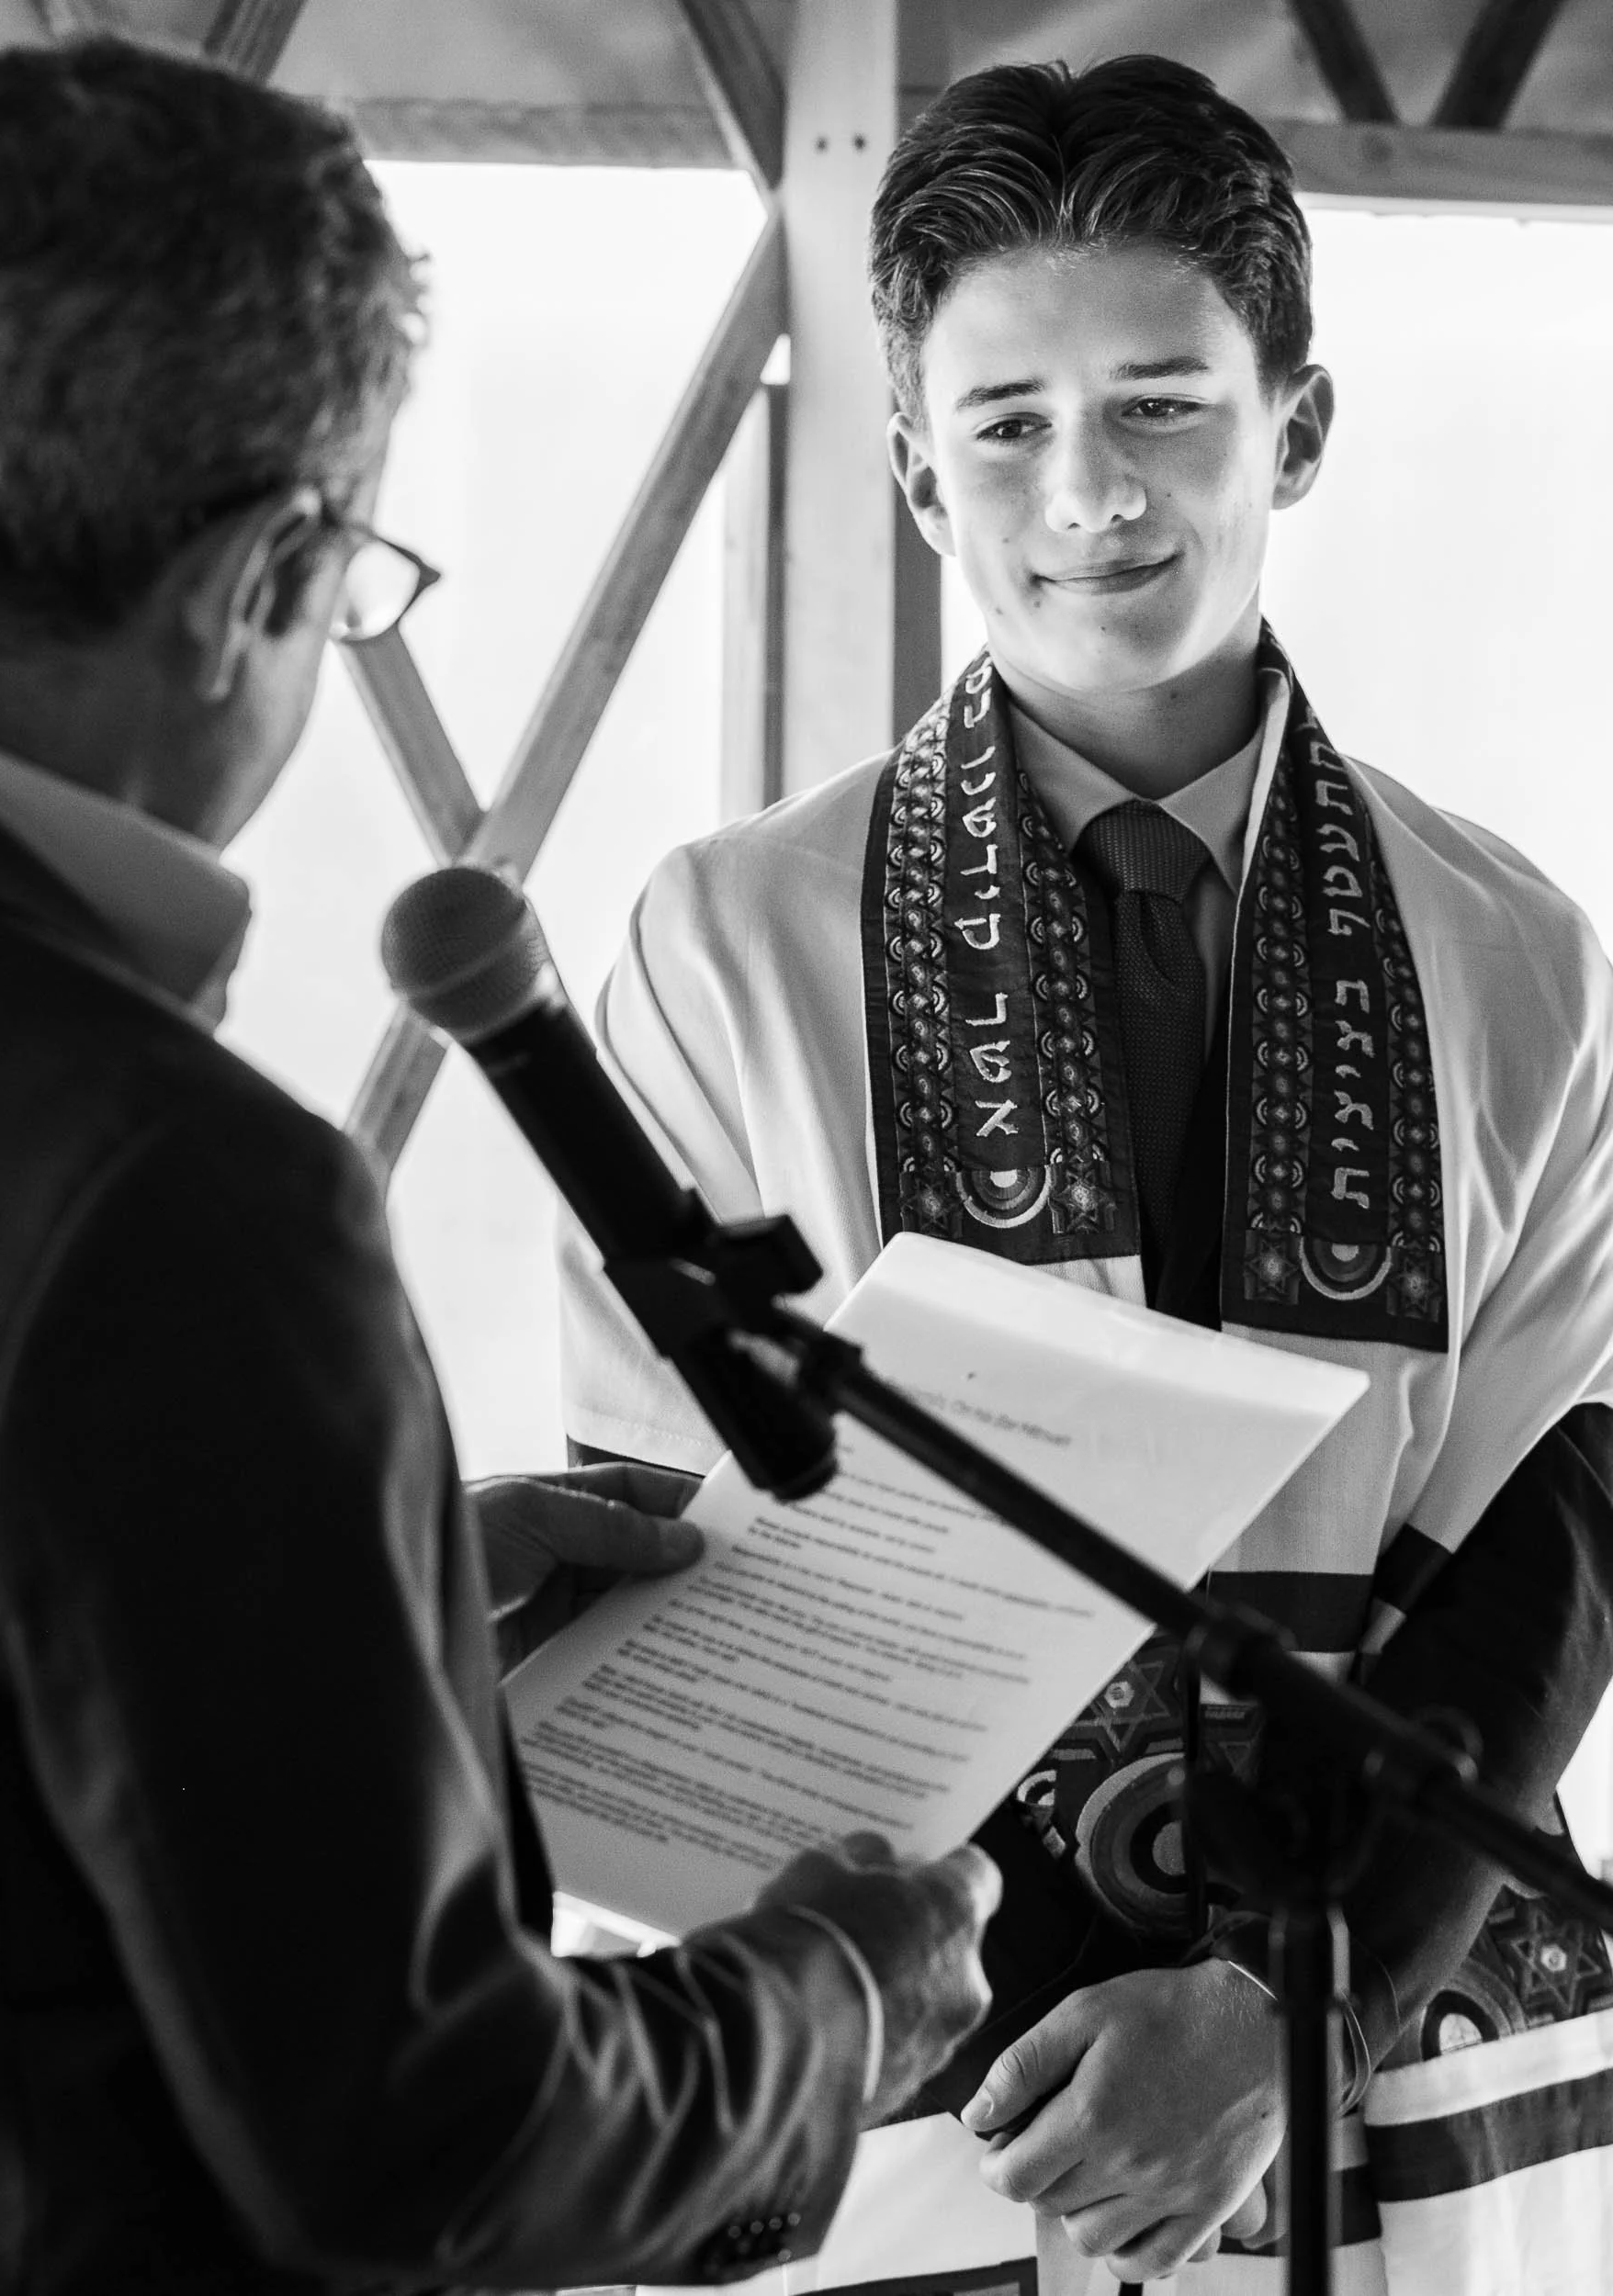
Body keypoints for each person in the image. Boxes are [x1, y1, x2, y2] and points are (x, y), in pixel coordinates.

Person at [0, 38, 1005, 2296]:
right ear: (260, 574)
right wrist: (833, 1996)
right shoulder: (169, 1196)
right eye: (355, 573)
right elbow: (429, 2153)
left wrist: (371, 1594)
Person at [562, 55, 1613, 2294]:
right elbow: (682, 1530)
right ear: (913, 466)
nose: (1089, 493)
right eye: (1008, 422)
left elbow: (1558, 1523)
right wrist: (1078, 2030)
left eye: (1161, 405)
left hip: (1389, 2030)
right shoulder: (726, 938)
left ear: (1292, 429)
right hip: (946, 2048)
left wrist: (1286, 2013)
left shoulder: (1515, 946)